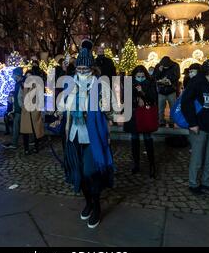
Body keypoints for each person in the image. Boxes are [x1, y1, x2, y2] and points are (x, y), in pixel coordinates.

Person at [61, 43, 114, 229]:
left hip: (93, 136)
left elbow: (110, 110)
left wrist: (108, 124)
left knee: (90, 172)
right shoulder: (70, 84)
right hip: (74, 134)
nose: (82, 70)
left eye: (85, 67)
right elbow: (64, 107)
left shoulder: (100, 85)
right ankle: (89, 203)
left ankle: (97, 206)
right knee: (79, 174)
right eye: (79, 67)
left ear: (91, 68)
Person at [181, 60, 209, 195]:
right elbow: (186, 103)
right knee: (197, 158)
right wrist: (192, 123)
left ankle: (207, 183)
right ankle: (193, 184)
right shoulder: (196, 83)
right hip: (199, 127)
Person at [123, 65, 158, 177]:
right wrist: (136, 99)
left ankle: (152, 165)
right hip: (133, 114)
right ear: (134, 75)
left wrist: (142, 93)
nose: (140, 78)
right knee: (134, 139)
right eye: (138, 76)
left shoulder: (150, 82)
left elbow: (153, 98)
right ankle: (136, 164)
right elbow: (126, 99)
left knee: (148, 139)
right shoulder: (129, 83)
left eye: (142, 76)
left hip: (145, 115)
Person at [20, 70, 45, 155]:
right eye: (27, 76)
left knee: (36, 131)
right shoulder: (23, 86)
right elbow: (20, 98)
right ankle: (26, 149)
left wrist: (38, 110)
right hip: (26, 112)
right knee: (25, 132)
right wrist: (22, 107)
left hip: (34, 111)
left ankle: (36, 147)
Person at [155, 56, 180, 128]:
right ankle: (161, 121)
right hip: (161, 90)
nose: (164, 67)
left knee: (173, 107)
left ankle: (172, 121)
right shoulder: (158, 66)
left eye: (166, 66)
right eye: (163, 66)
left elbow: (177, 76)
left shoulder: (175, 65)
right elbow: (154, 77)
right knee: (160, 108)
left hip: (171, 90)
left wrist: (169, 79)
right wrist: (159, 71)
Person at [4, 67, 24, 150]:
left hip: (20, 109)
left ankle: (14, 143)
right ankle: (31, 141)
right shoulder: (19, 83)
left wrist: (20, 107)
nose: (12, 76)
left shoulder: (20, 84)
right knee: (17, 125)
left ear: (17, 75)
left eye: (14, 74)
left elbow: (21, 97)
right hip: (19, 108)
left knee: (16, 126)